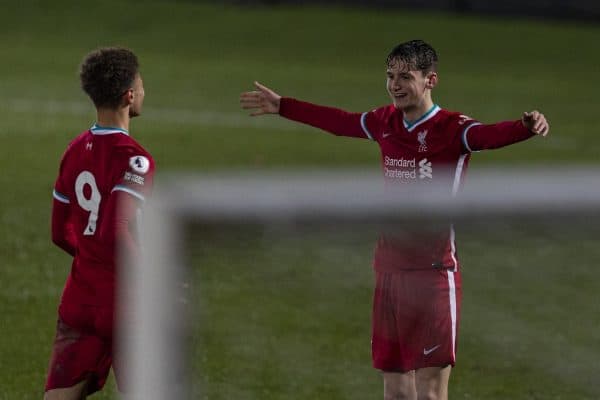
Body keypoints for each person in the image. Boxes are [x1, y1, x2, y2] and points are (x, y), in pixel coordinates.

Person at [240, 39, 549, 400]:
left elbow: (487, 136)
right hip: (389, 272)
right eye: (390, 76)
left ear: (430, 80)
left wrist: (525, 126)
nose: (395, 85)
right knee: (396, 390)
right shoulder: (384, 121)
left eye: (405, 76)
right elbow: (341, 122)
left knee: (430, 392)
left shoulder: (452, 128)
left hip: (433, 276)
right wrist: (284, 107)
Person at [45, 47, 154, 399]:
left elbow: (59, 233)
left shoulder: (74, 150)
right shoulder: (135, 159)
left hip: (79, 299)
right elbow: (116, 229)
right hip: (124, 304)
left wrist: (90, 255)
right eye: (141, 84)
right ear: (129, 95)